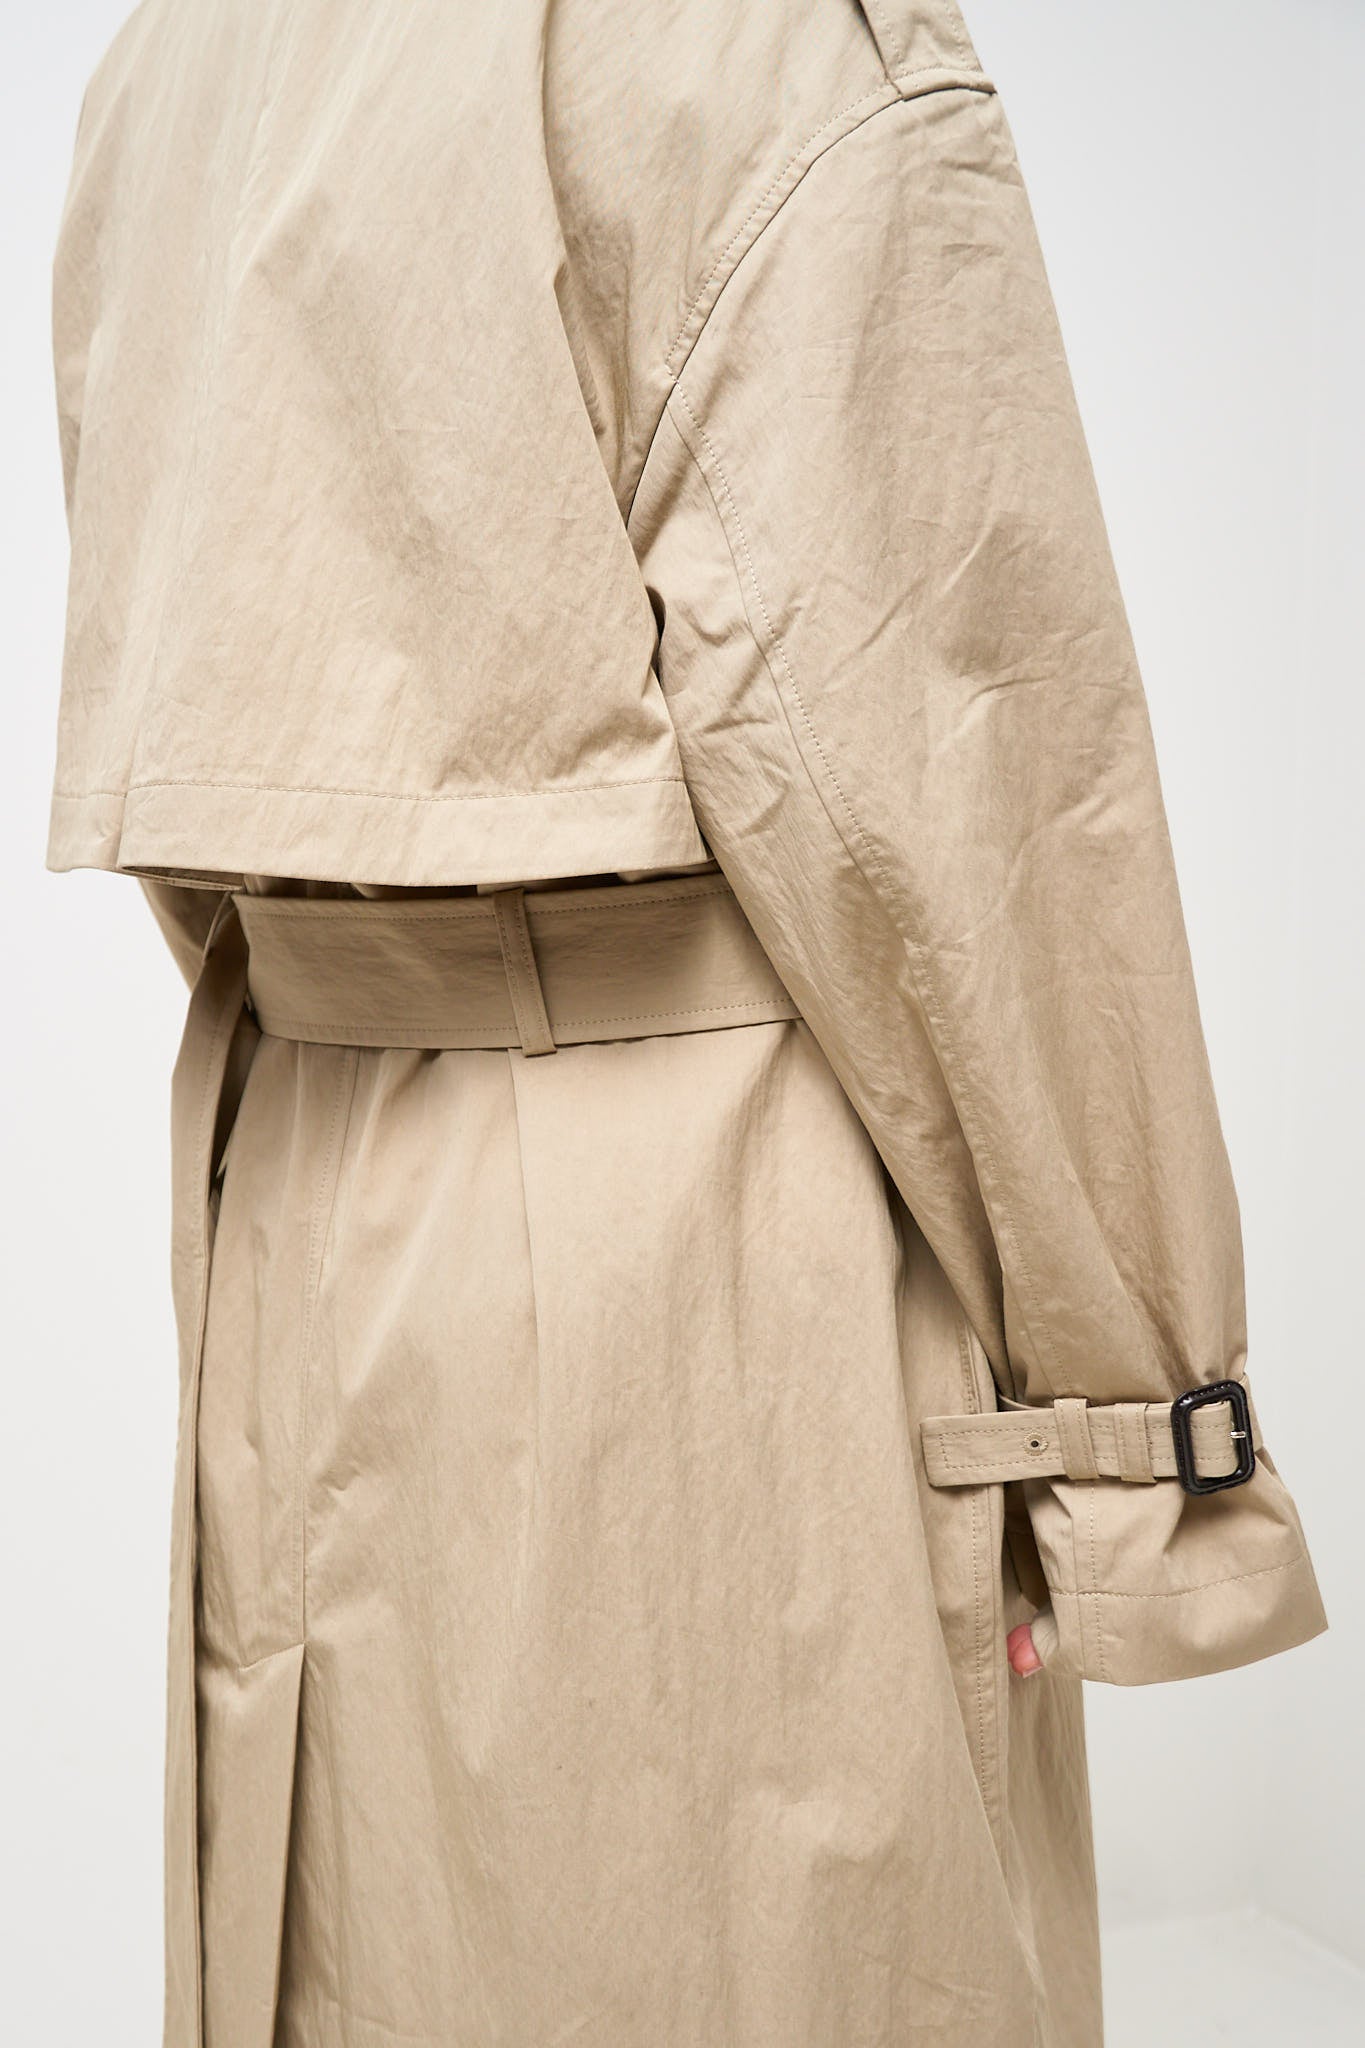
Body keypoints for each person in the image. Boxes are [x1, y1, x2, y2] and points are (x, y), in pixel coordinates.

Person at [47, 3, 1327, 2043]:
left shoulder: (173, 53)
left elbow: (211, 743)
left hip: (290, 1184)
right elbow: (960, 768)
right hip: (695, 1254)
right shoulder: (750, 31)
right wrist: (1138, 1425)